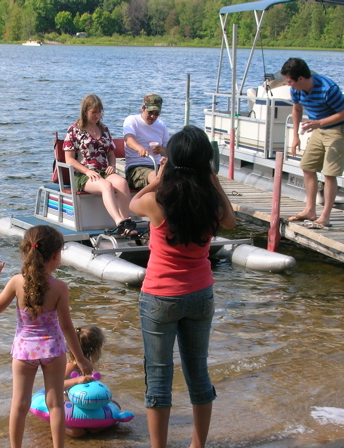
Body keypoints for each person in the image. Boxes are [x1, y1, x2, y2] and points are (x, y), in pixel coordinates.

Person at [129, 125, 236, 448]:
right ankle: (197, 445)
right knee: (198, 373)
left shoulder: (158, 202)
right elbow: (231, 221)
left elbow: (134, 202)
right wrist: (213, 180)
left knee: (159, 378)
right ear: (206, 163)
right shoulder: (211, 204)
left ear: (172, 161)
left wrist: (160, 177)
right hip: (201, 295)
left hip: (160, 297)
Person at [0, 225, 93, 448]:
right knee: (55, 404)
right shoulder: (60, 287)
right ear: (55, 255)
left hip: (24, 351)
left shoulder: (17, 282)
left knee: (19, 405)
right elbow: (66, 326)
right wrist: (80, 359)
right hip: (53, 350)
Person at [281, 57, 344, 228]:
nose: (288, 85)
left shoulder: (328, 89)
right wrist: (296, 136)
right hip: (319, 129)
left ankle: (325, 216)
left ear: (301, 79)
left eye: (290, 81)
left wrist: (318, 123)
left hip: (339, 129)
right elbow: (297, 109)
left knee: (329, 173)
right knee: (307, 167)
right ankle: (310, 210)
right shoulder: (296, 90)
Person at [63, 94, 136, 236]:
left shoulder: (103, 129)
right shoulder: (74, 130)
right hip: (83, 175)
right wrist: (87, 171)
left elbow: (110, 154)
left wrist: (112, 166)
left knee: (122, 183)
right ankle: (119, 222)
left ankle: (126, 222)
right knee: (106, 186)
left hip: (103, 171)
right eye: (94, 112)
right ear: (85, 111)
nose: (97, 115)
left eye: (99, 112)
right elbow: (69, 160)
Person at [63, 324, 106, 438]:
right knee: (77, 432)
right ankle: (61, 427)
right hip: (68, 403)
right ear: (95, 349)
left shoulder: (88, 366)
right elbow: (57, 385)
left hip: (84, 403)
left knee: (97, 428)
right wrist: (76, 381)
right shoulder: (71, 366)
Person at [123, 94, 170, 190]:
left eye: (157, 114)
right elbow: (129, 139)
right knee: (155, 177)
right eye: (150, 112)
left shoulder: (161, 125)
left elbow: (168, 151)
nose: (153, 116)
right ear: (143, 108)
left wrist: (161, 150)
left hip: (157, 166)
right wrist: (139, 148)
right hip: (136, 167)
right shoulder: (132, 120)